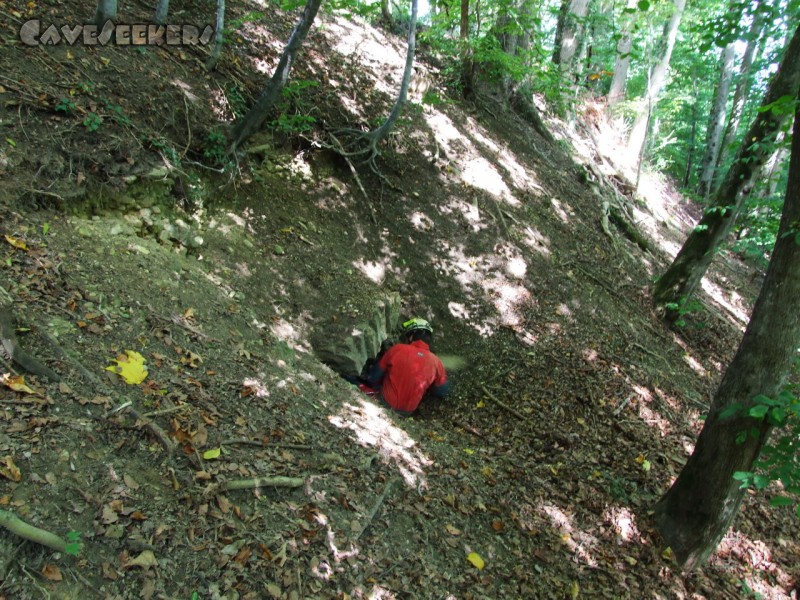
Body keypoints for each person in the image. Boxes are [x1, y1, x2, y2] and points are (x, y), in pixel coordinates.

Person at [364, 317, 450, 415]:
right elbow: (441, 391)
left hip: (386, 403)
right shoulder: (437, 362)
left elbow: (372, 378)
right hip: (408, 412)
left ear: (411, 336)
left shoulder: (397, 349)